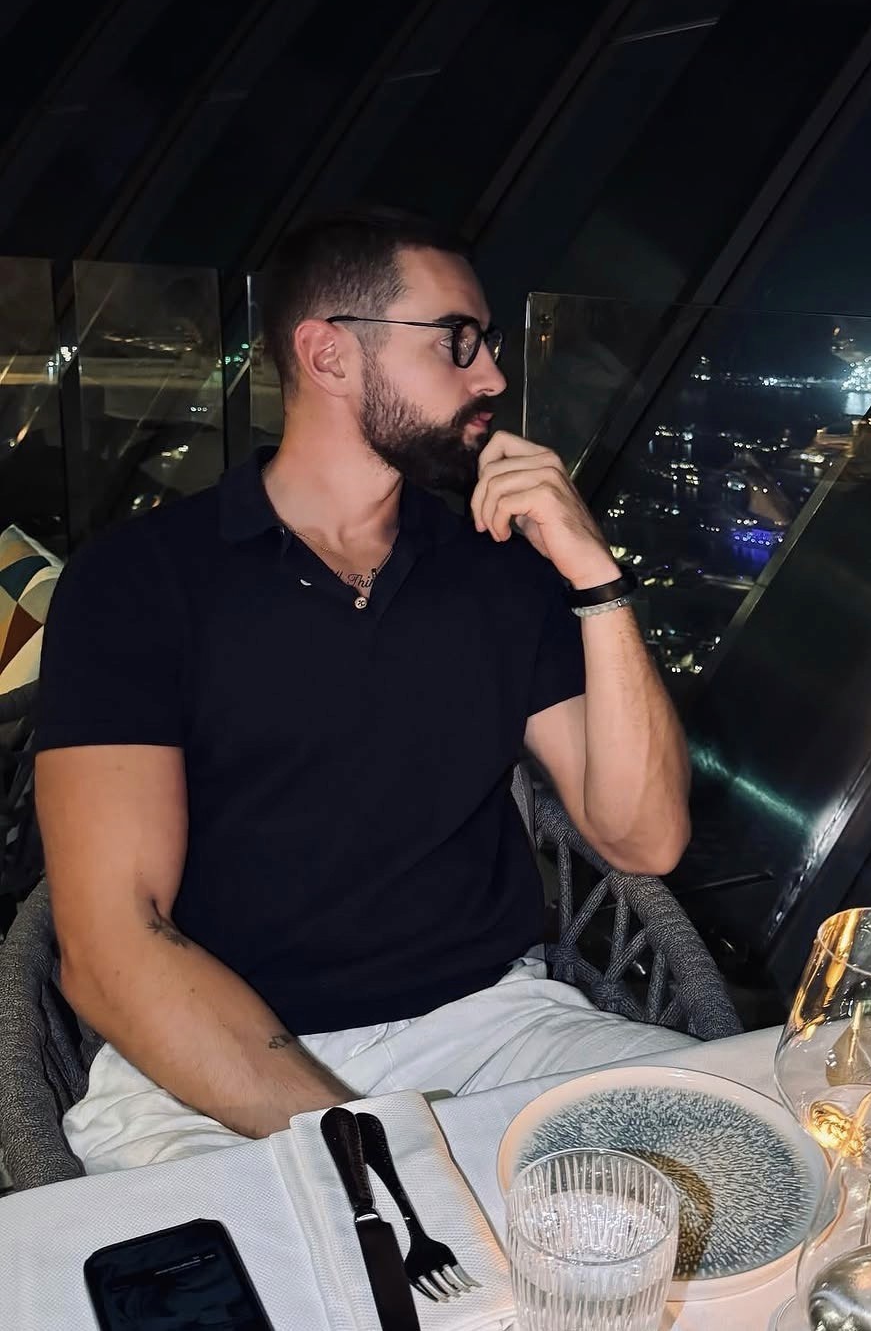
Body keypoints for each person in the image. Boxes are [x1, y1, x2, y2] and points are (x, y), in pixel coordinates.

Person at [33, 207, 696, 1174]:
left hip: (496, 1031)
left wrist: (596, 582)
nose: (493, 378)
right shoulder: (142, 582)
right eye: (455, 342)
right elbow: (110, 943)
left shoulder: (499, 567)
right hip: (214, 1062)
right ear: (328, 354)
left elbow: (646, 839)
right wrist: (373, 1145)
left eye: (487, 344)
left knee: (750, 1175)